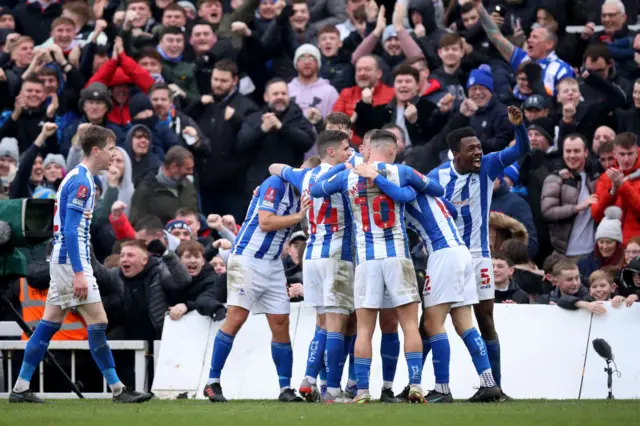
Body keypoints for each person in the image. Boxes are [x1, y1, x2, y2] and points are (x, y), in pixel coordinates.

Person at [9, 124, 152, 404]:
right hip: (70, 262)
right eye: (111, 149)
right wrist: (78, 273)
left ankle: (20, 388)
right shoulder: (83, 182)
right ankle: (118, 390)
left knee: (49, 323)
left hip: (62, 259)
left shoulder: (77, 176)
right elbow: (72, 231)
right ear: (96, 150)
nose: (114, 154)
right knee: (98, 320)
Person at [310, 130, 443, 404]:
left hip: (366, 261)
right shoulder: (403, 171)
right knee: (408, 325)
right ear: (393, 150)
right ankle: (416, 384)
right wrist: (407, 189)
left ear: (369, 150)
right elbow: (437, 190)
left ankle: (361, 390)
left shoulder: (349, 175)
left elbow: (315, 188)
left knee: (364, 331)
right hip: (397, 257)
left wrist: (343, 166)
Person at [355, 158, 502, 403]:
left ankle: (442, 389)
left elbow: (401, 197)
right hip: (461, 252)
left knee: (432, 324)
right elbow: (452, 211)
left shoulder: (404, 192)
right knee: (464, 322)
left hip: (443, 254)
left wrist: (375, 177)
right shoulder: (425, 192)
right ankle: (489, 383)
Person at [428, 105, 531, 400]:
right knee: (432, 321)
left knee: (486, 320)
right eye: (471, 149)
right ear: (455, 154)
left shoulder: (487, 166)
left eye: (478, 147)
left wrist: (519, 126)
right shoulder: (437, 178)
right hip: (447, 257)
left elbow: (521, 149)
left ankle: (494, 388)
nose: (477, 153)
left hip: (479, 257)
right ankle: (417, 385)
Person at [203, 160, 314, 403]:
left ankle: (285, 388)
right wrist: (299, 215)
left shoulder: (305, 196)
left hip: (273, 263)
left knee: (281, 322)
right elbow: (265, 222)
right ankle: (212, 382)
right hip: (248, 258)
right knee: (236, 317)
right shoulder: (275, 183)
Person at [269, 131, 353, 402]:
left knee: (322, 323)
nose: (349, 152)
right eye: (345, 148)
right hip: (337, 254)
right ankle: (333, 390)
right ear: (331, 152)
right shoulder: (343, 175)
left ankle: (308, 380)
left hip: (312, 255)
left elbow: (274, 167)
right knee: (337, 325)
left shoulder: (304, 176)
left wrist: (290, 170)